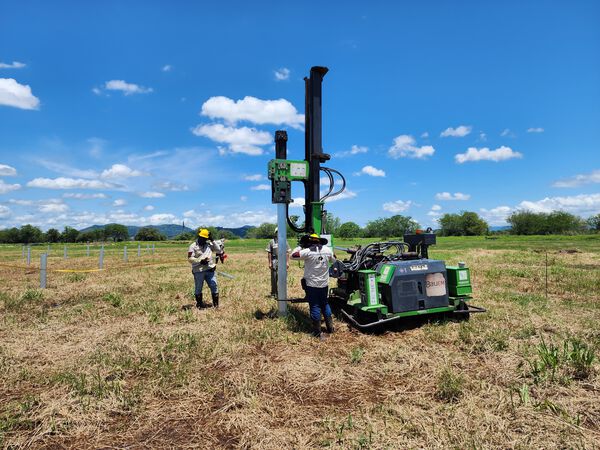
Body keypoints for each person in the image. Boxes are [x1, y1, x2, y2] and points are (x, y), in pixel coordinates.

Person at [291, 233, 336, 340]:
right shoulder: (327, 250)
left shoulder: (307, 252)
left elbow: (293, 255)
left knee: (315, 306)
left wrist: (300, 246)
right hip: (324, 284)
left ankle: (317, 333)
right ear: (319, 241)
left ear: (309, 242)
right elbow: (334, 260)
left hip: (311, 285)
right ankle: (330, 328)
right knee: (324, 304)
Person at [188, 228, 224, 309]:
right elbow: (190, 258)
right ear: (199, 236)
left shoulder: (209, 245)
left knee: (214, 285)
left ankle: (216, 306)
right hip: (198, 271)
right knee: (198, 287)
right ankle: (200, 305)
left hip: (210, 269)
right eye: (202, 238)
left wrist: (212, 239)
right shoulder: (193, 246)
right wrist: (200, 261)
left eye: (205, 238)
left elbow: (218, 249)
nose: (203, 240)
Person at [265, 227, 290, 297]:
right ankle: (274, 293)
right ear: (275, 233)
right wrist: (270, 263)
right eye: (277, 232)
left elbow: (287, 252)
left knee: (282, 277)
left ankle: (282, 293)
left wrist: (287, 262)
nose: (278, 233)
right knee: (274, 277)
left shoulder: (285, 241)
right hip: (274, 260)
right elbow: (269, 253)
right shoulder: (271, 241)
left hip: (283, 260)